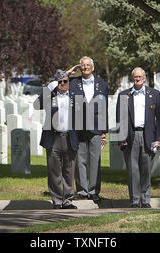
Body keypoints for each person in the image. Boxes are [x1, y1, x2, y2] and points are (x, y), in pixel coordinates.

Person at [116, 67, 160, 208]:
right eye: (135, 77)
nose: (137, 79)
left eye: (140, 77)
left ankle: (146, 199)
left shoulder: (154, 94)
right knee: (132, 170)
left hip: (148, 135)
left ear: (144, 78)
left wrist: (159, 139)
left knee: (146, 169)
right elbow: (121, 118)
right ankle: (135, 200)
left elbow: (159, 119)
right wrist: (121, 139)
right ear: (132, 78)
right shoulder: (124, 95)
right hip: (131, 136)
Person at [34, 69, 79, 209]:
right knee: (54, 171)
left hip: (70, 137)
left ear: (69, 82)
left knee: (69, 170)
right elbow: (36, 104)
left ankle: (68, 200)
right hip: (54, 138)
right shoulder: (50, 96)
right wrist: (50, 86)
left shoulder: (76, 97)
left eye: (65, 81)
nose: (62, 84)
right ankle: (57, 200)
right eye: (59, 82)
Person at [66, 56, 108, 202]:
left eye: (87, 65)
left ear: (93, 67)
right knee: (80, 161)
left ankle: (94, 191)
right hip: (79, 128)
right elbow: (57, 82)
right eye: (82, 65)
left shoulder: (102, 85)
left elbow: (104, 108)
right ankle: (82, 191)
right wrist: (70, 72)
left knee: (95, 160)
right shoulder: (73, 83)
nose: (85, 67)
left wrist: (104, 131)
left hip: (96, 128)